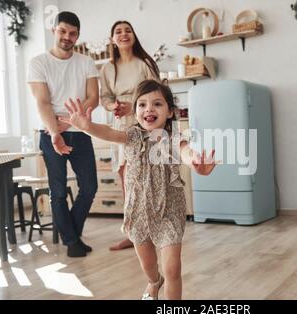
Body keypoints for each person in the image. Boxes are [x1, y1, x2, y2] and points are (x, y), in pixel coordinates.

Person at [60, 80, 217, 299]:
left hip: (168, 212)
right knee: (149, 266)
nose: (149, 109)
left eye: (157, 104)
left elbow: (186, 152)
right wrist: (87, 126)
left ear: (170, 112)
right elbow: (107, 133)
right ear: (135, 112)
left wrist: (196, 163)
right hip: (138, 212)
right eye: (142, 104)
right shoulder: (131, 137)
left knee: (173, 269)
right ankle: (154, 282)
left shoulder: (174, 139)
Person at [27, 11, 99, 258]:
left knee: (89, 187)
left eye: (72, 33)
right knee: (57, 191)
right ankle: (72, 241)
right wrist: (56, 133)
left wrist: (68, 123)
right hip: (49, 134)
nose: (67, 37)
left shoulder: (86, 62)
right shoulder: (38, 63)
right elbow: (43, 102)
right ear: (54, 31)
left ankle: (72, 237)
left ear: (78, 35)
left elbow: (93, 98)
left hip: (80, 132)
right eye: (63, 31)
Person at [99, 21, 159, 251]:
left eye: (128, 30)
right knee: (126, 178)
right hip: (120, 125)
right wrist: (113, 105)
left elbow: (156, 93)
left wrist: (133, 106)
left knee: (145, 178)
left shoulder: (144, 63)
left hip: (144, 123)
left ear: (133, 35)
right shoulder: (107, 69)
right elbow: (104, 97)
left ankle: (153, 229)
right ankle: (133, 232)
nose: (123, 34)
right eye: (118, 32)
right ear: (112, 39)